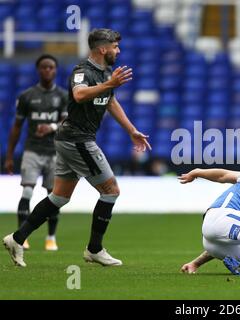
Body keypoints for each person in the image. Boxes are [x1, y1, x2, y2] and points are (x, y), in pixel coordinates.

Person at [3, 28, 151, 267]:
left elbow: (110, 100)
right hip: (77, 139)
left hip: (70, 139)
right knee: (111, 190)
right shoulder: (83, 71)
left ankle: (17, 238)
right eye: (115, 47)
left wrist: (131, 129)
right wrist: (109, 84)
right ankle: (94, 249)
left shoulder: (106, 72)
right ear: (102, 49)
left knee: (59, 197)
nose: (118, 51)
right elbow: (80, 94)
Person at [4, 54, 68, 251]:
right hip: (32, 150)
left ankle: (51, 238)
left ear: (56, 70)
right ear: (38, 70)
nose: (47, 70)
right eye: (43, 67)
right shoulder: (27, 96)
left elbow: (66, 123)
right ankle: (22, 236)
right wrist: (9, 156)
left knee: (53, 195)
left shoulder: (63, 96)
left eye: (51, 67)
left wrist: (50, 127)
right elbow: (16, 127)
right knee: (27, 191)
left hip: (54, 152)